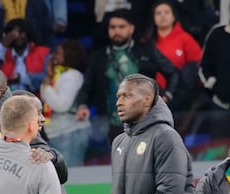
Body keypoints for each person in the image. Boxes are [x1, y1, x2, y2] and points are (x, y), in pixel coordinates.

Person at [74, 9, 180, 143]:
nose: (116, 31)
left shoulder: (146, 50)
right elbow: (87, 87)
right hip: (110, 125)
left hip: (146, 121)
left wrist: (167, 96)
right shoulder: (98, 57)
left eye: (121, 27)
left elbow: (173, 73)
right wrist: (82, 106)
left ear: (131, 28)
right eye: (113, 27)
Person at [40, 39, 91, 166]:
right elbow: (46, 96)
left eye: (59, 53)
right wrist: (48, 77)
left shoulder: (72, 76)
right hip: (58, 132)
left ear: (70, 55)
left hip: (69, 132)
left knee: (71, 177)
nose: (55, 56)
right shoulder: (57, 74)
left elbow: (61, 105)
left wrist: (46, 86)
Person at [147, 0, 202, 112]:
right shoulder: (147, 42)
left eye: (166, 12)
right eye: (158, 13)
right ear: (153, 18)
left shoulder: (185, 39)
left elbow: (199, 64)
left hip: (179, 98)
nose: (162, 16)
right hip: (152, 98)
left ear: (173, 17)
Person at [0, 18, 51, 93]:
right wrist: (3, 45)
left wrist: (21, 79)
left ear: (27, 34)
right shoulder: (2, 53)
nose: (17, 36)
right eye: (13, 34)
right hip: (7, 100)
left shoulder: (42, 52)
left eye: (21, 32)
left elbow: (48, 77)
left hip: (35, 100)